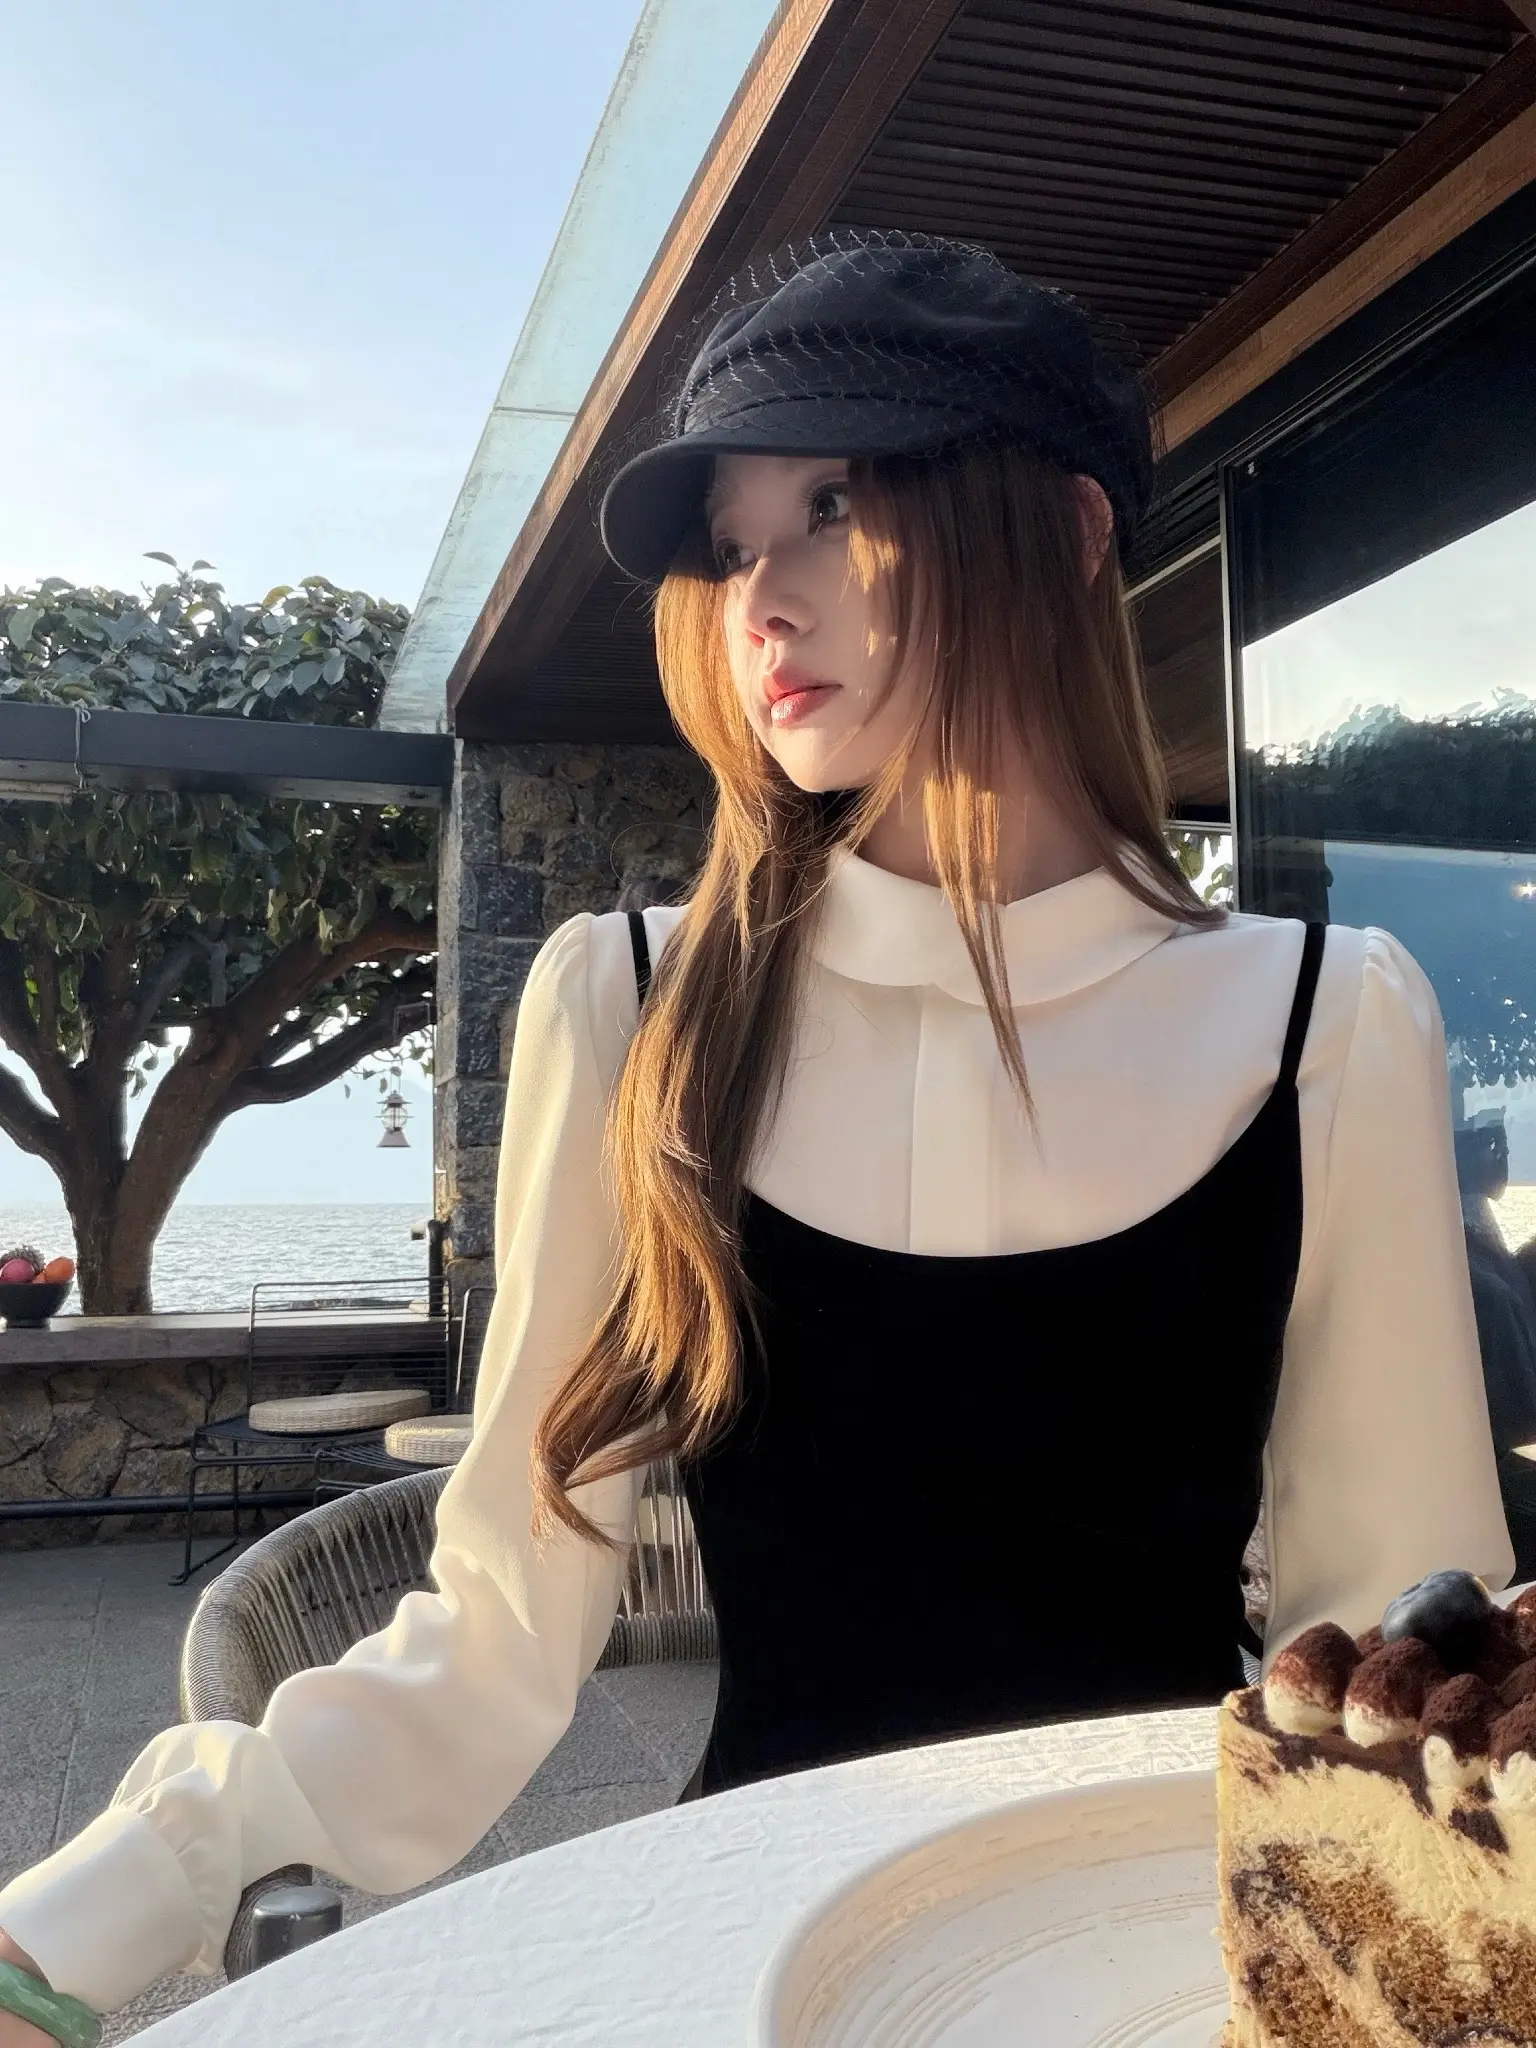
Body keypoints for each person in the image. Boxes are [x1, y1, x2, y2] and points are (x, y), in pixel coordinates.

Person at [0, 232, 1511, 2043]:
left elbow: (1397, 1657)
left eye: (834, 507)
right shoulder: (634, 1006)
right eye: (731, 544)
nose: (761, 600)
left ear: (1069, 536)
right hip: (751, 1953)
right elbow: (494, 1637)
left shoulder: (1330, 1019)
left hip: (1170, 1961)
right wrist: (69, 1933)